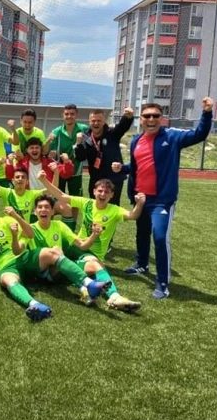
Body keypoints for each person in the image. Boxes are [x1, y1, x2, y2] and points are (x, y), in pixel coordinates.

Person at [0, 198, 110, 322]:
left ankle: (89, 284)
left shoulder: (6, 220)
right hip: (6, 267)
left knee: (52, 252)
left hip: (24, 258)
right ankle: (35, 305)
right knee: (7, 280)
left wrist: (16, 217)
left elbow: (30, 233)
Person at [121, 98, 214, 299]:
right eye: (147, 116)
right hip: (140, 198)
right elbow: (137, 167)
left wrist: (206, 113)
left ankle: (162, 284)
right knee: (142, 233)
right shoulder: (136, 141)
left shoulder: (172, 137)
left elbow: (199, 134)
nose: (151, 119)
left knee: (160, 237)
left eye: (155, 116)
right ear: (141, 119)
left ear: (161, 118)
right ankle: (142, 264)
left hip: (161, 200)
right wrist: (123, 169)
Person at [35, 180, 143, 312]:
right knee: (57, 240)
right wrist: (43, 180)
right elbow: (62, 196)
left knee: (95, 265)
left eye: (106, 192)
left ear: (112, 195)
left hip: (90, 254)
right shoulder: (87, 203)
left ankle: (113, 297)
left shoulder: (114, 210)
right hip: (76, 246)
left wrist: (139, 203)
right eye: (100, 191)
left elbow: (132, 215)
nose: (102, 194)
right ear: (94, 191)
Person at [73, 107, 134, 203]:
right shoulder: (86, 137)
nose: (96, 123)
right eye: (93, 121)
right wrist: (78, 144)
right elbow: (80, 157)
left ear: (104, 121)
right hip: (96, 179)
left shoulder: (112, 133)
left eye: (99, 120)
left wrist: (127, 117)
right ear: (89, 122)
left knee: (112, 208)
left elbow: (122, 127)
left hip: (114, 179)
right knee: (95, 207)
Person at [47, 103, 90, 231]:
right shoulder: (57, 131)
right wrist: (51, 150)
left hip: (76, 171)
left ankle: (72, 227)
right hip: (60, 171)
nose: (69, 116)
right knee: (55, 198)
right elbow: (49, 152)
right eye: (67, 114)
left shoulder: (84, 129)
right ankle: (50, 226)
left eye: (72, 114)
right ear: (63, 115)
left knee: (75, 200)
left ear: (76, 115)